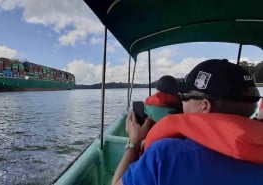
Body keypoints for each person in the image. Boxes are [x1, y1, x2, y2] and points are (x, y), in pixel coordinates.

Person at [112, 59, 263, 185]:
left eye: (184, 97)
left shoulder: (165, 156)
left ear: (204, 106)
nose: (181, 102)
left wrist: (134, 143)